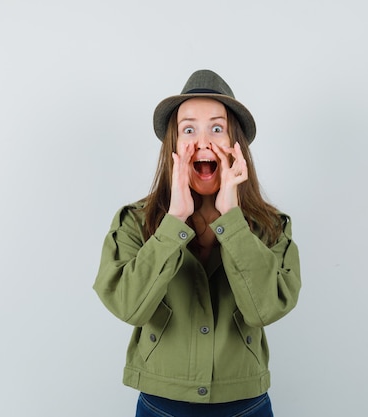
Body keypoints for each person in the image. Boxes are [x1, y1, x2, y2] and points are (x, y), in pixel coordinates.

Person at [93, 69, 301, 417]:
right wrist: (174, 221)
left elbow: (265, 309)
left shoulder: (271, 227)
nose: (203, 141)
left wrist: (232, 218)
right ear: (173, 147)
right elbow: (129, 306)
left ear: (237, 147)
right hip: (161, 406)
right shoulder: (133, 221)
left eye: (217, 128)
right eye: (189, 129)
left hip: (246, 406)